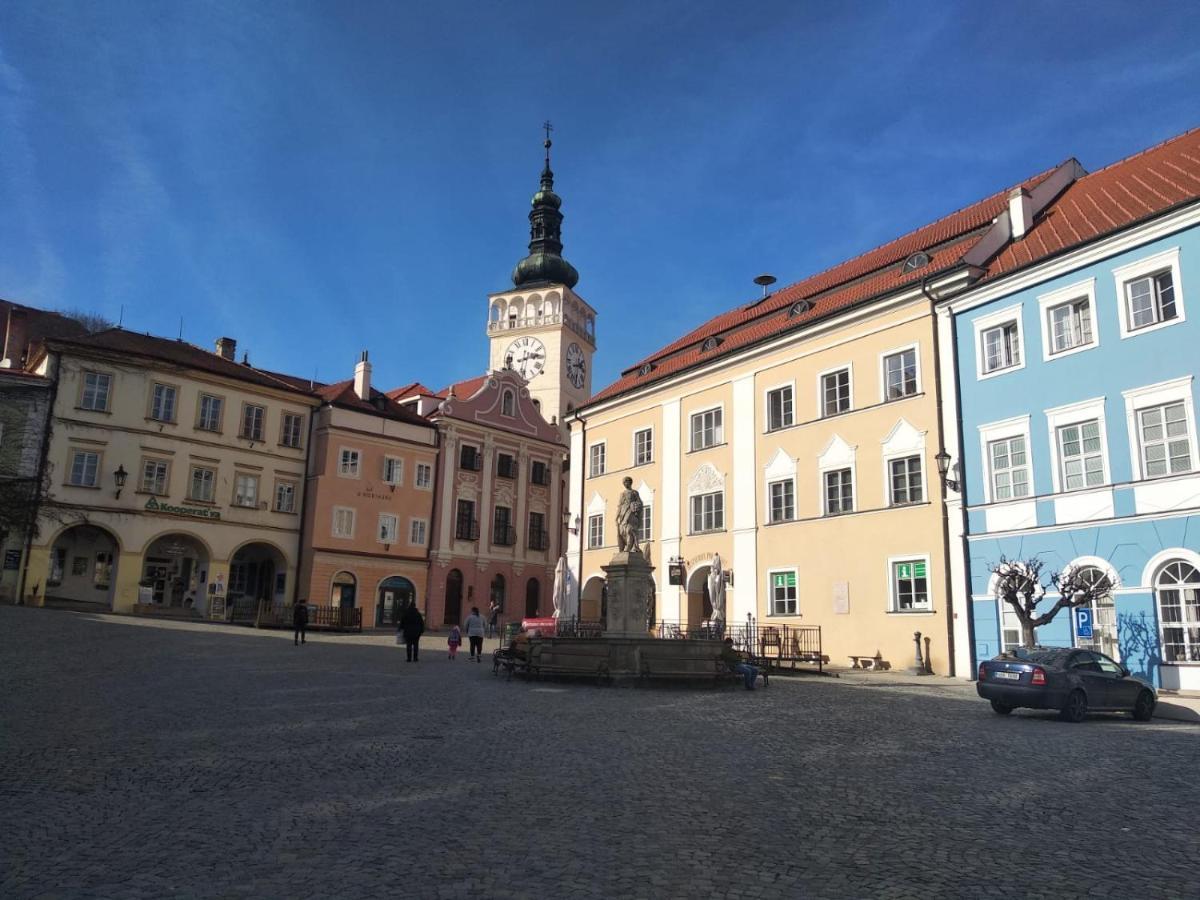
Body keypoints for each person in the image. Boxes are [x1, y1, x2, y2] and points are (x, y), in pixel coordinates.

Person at [615, 476, 644, 554]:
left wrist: (635, 505)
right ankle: (626, 546)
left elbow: (640, 503)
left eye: (626, 482)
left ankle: (629, 547)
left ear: (630, 483)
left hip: (631, 512)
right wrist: (616, 517)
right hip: (623, 513)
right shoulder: (623, 494)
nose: (625, 484)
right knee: (622, 531)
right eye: (624, 482)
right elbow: (620, 505)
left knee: (629, 530)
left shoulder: (634, 492)